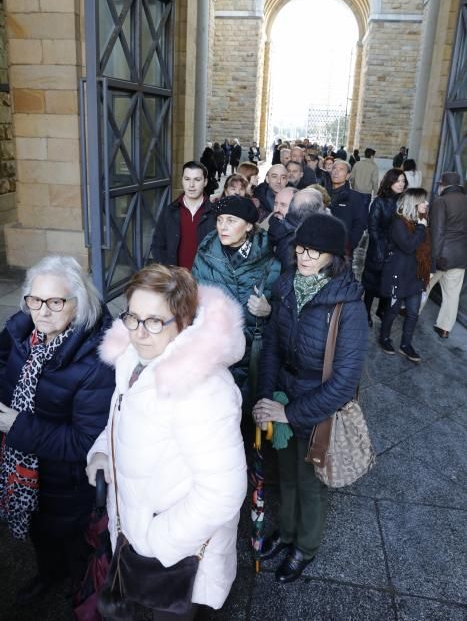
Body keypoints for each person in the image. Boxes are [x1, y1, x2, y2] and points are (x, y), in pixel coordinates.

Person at [86, 265, 247, 620]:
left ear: (184, 322)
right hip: (136, 531)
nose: (140, 333)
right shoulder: (134, 359)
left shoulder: (203, 389)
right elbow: (123, 416)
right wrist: (101, 452)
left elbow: (223, 491)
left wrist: (157, 541)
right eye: (132, 317)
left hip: (176, 554)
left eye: (155, 321)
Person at [253, 214, 368, 583]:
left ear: (332, 257)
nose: (304, 256)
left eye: (315, 252)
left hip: (317, 407)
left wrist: (290, 412)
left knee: (307, 480)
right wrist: (266, 399)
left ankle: (306, 545)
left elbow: (345, 380)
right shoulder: (287, 287)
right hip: (284, 395)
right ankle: (286, 532)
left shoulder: (347, 304)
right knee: (283, 473)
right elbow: (272, 347)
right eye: (301, 247)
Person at [0, 255, 114, 606]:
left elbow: (84, 440)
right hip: (23, 471)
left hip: (66, 482)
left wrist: (15, 425)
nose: (42, 311)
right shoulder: (21, 331)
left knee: (73, 543)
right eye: (34, 299)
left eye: (55, 301)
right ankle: (46, 576)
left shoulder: (96, 362)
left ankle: (79, 589)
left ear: (79, 304)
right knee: (41, 536)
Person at [192, 196, 281, 401]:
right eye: (220, 220)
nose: (223, 227)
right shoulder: (205, 254)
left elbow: (286, 310)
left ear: (249, 225)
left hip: (252, 353)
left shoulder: (269, 258)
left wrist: (269, 311)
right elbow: (191, 298)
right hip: (215, 351)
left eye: (231, 221)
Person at [379, 188, 431, 362]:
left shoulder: (419, 221)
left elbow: (426, 249)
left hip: (415, 275)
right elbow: (409, 246)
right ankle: (384, 338)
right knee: (392, 311)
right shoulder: (399, 223)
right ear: (414, 203)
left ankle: (406, 344)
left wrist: (429, 271)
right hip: (399, 275)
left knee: (413, 313)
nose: (426, 204)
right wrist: (422, 227)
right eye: (423, 201)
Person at [423, 171, 467, 338]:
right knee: (452, 294)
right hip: (460, 256)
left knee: (424, 286)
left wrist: (433, 258)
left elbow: (438, 232)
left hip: (442, 255)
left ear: (443, 185)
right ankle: (445, 328)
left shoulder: (441, 201)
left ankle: (411, 312)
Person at [362, 169, 407, 327]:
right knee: (371, 284)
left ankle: (381, 310)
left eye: (403, 181)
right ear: (390, 182)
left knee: (388, 283)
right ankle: (366, 312)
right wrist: (380, 250)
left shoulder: (404, 201)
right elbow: (372, 228)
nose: (401, 184)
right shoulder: (380, 201)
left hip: (396, 249)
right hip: (379, 248)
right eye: (398, 181)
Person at [151, 161, 216, 270]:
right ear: (182, 180)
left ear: (205, 182)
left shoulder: (215, 213)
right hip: (176, 279)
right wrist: (168, 270)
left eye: (197, 180)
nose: (191, 185)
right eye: (187, 179)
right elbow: (157, 245)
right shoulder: (170, 211)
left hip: (206, 281)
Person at [268, 189, 325, 271]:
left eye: (283, 205)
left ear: (296, 207)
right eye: (275, 204)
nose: (277, 209)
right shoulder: (268, 226)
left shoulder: (296, 240)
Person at [330, 160, 367, 256]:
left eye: (341, 169)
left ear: (347, 176)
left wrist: (349, 246)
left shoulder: (355, 197)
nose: (336, 172)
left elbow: (359, 224)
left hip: (343, 251)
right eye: (334, 168)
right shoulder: (322, 193)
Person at [349, 147, 379, 211]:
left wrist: (353, 187)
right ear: (371, 156)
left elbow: (351, 178)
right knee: (364, 212)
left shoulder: (357, 164)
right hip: (366, 193)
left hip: (355, 192)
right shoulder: (374, 166)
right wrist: (375, 194)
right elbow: (375, 181)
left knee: (354, 210)